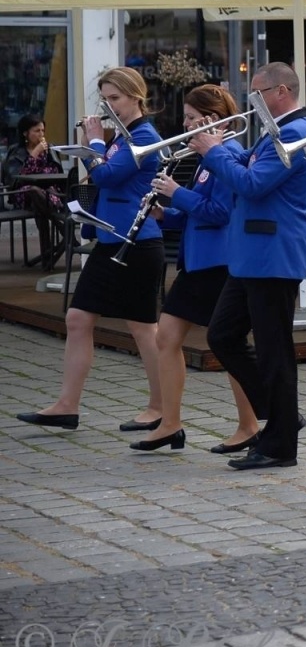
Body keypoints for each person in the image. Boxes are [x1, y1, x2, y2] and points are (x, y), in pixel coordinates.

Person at [17, 68, 166, 432]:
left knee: (143, 328)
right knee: (77, 318)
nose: (108, 106)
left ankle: (163, 407)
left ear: (135, 97)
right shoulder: (124, 137)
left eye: (115, 99)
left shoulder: (144, 136)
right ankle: (66, 405)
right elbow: (102, 175)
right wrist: (91, 149)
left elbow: (107, 175)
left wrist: (94, 142)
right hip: (112, 239)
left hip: (138, 242)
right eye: (105, 100)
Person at [193, 62, 306, 469]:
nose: (253, 102)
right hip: (252, 253)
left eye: (258, 94)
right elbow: (242, 162)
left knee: (273, 352)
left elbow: (251, 183)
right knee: (222, 336)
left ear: (281, 92)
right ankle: (281, 415)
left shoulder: (296, 132)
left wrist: (213, 152)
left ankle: (280, 445)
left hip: (273, 253)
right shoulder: (275, 130)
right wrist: (217, 144)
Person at [139, 85, 259, 453]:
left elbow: (221, 213)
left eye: (192, 118)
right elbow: (198, 209)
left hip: (218, 262)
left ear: (213, 119)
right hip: (197, 260)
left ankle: (250, 424)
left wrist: (177, 192)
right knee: (167, 337)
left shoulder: (228, 154)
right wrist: (165, 212)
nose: (186, 124)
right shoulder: (208, 159)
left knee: (227, 344)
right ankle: (171, 424)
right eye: (186, 117)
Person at [4, 114, 66, 266]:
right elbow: (15, 179)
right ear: (25, 133)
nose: (41, 135)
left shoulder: (50, 149)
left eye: (43, 131)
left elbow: (55, 172)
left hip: (48, 193)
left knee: (40, 207)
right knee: (33, 190)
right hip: (23, 194)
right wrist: (34, 154)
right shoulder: (16, 151)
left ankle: (47, 255)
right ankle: (66, 233)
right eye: (36, 131)